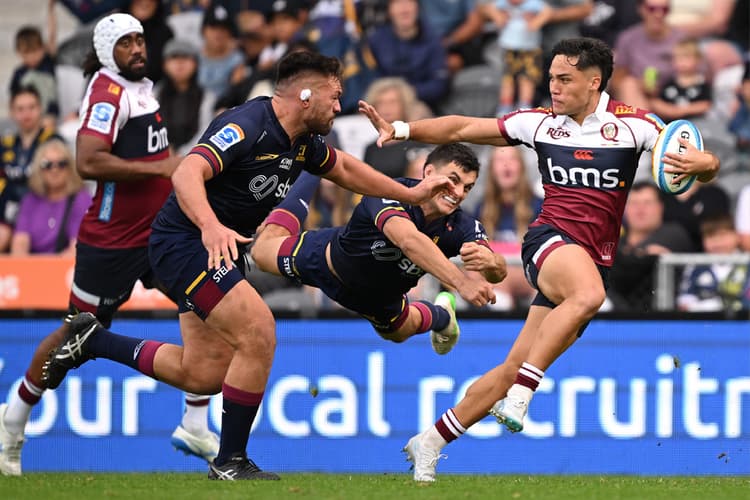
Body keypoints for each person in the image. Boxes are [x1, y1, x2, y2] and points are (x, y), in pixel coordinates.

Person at [41, 49, 453, 481]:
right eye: (334, 96)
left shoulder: (303, 143)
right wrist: (210, 226)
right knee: (259, 330)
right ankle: (230, 461)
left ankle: (91, 341)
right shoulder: (247, 125)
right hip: (186, 244)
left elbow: (346, 169)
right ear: (306, 95)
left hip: (209, 249)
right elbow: (185, 174)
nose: (339, 106)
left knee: (202, 374)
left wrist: (411, 194)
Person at [358, 36, 721, 482]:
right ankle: (524, 394)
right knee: (587, 297)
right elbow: (460, 129)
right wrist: (402, 129)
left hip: (594, 257)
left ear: (594, 81)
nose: (554, 87)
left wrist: (706, 163)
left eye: (564, 79)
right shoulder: (540, 124)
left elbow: (695, 160)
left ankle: (429, 442)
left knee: (513, 365)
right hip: (548, 241)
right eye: (550, 77)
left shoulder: (635, 125)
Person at [0, 13, 218, 478]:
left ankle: (196, 422)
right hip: (112, 241)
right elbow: (88, 159)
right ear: (106, 51)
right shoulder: (107, 93)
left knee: (208, 303)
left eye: (140, 40)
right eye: (126, 43)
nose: (138, 48)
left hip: (160, 232)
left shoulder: (139, 85)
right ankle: (13, 418)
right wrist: (159, 169)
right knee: (75, 337)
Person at [251, 143, 503, 353]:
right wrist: (461, 282)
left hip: (382, 300)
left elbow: (497, 272)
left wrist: (491, 263)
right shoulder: (387, 192)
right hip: (326, 263)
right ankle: (311, 163)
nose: (458, 193)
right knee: (261, 252)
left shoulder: (463, 225)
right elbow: (408, 240)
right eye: (453, 180)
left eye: (467, 187)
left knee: (400, 334)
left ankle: (443, 316)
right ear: (427, 173)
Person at [608, 181, 695, 312]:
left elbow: (626, 263)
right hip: (616, 319)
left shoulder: (673, 233)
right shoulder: (616, 240)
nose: (640, 209)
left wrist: (625, 257)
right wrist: (642, 255)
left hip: (662, 317)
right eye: (633, 203)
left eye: (647, 203)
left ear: (660, 207)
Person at [474, 146, 542, 310]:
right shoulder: (481, 209)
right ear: (491, 169)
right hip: (496, 282)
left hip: (531, 281)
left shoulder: (540, 207)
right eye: (500, 160)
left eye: (512, 159)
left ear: (522, 167)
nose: (506, 165)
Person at [0, 85, 63, 250]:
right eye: (20, 109)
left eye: (31, 107)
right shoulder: (5, 145)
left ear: (40, 108)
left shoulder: (53, 141)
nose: (26, 114)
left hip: (44, 211)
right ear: (12, 112)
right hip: (7, 213)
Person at [10, 139, 92, 255]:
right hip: (31, 268)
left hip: (66, 268)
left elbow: (77, 248)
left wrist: (49, 269)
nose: (54, 170)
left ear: (71, 168)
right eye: (47, 165)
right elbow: (19, 245)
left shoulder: (82, 200)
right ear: (39, 170)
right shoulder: (30, 200)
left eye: (61, 164)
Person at [481, 0, 551, 115]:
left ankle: (525, 105)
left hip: (530, 49)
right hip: (509, 48)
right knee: (507, 79)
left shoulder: (533, 4)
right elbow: (488, 8)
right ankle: (505, 105)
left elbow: (547, 12)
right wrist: (498, 17)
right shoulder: (503, 3)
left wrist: (536, 22)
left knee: (527, 79)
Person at [676, 214, 750, 312]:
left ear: (737, 236)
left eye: (723, 235)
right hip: (705, 323)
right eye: (710, 236)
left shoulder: (747, 264)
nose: (717, 242)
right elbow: (684, 302)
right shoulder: (696, 266)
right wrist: (706, 306)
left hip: (742, 324)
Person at [648, 38, 712, 122]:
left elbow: (706, 105)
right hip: (671, 126)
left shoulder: (702, 84)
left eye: (686, 57)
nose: (681, 62)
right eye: (677, 58)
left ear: (698, 60)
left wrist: (678, 111)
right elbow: (658, 103)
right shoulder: (669, 84)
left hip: (696, 125)